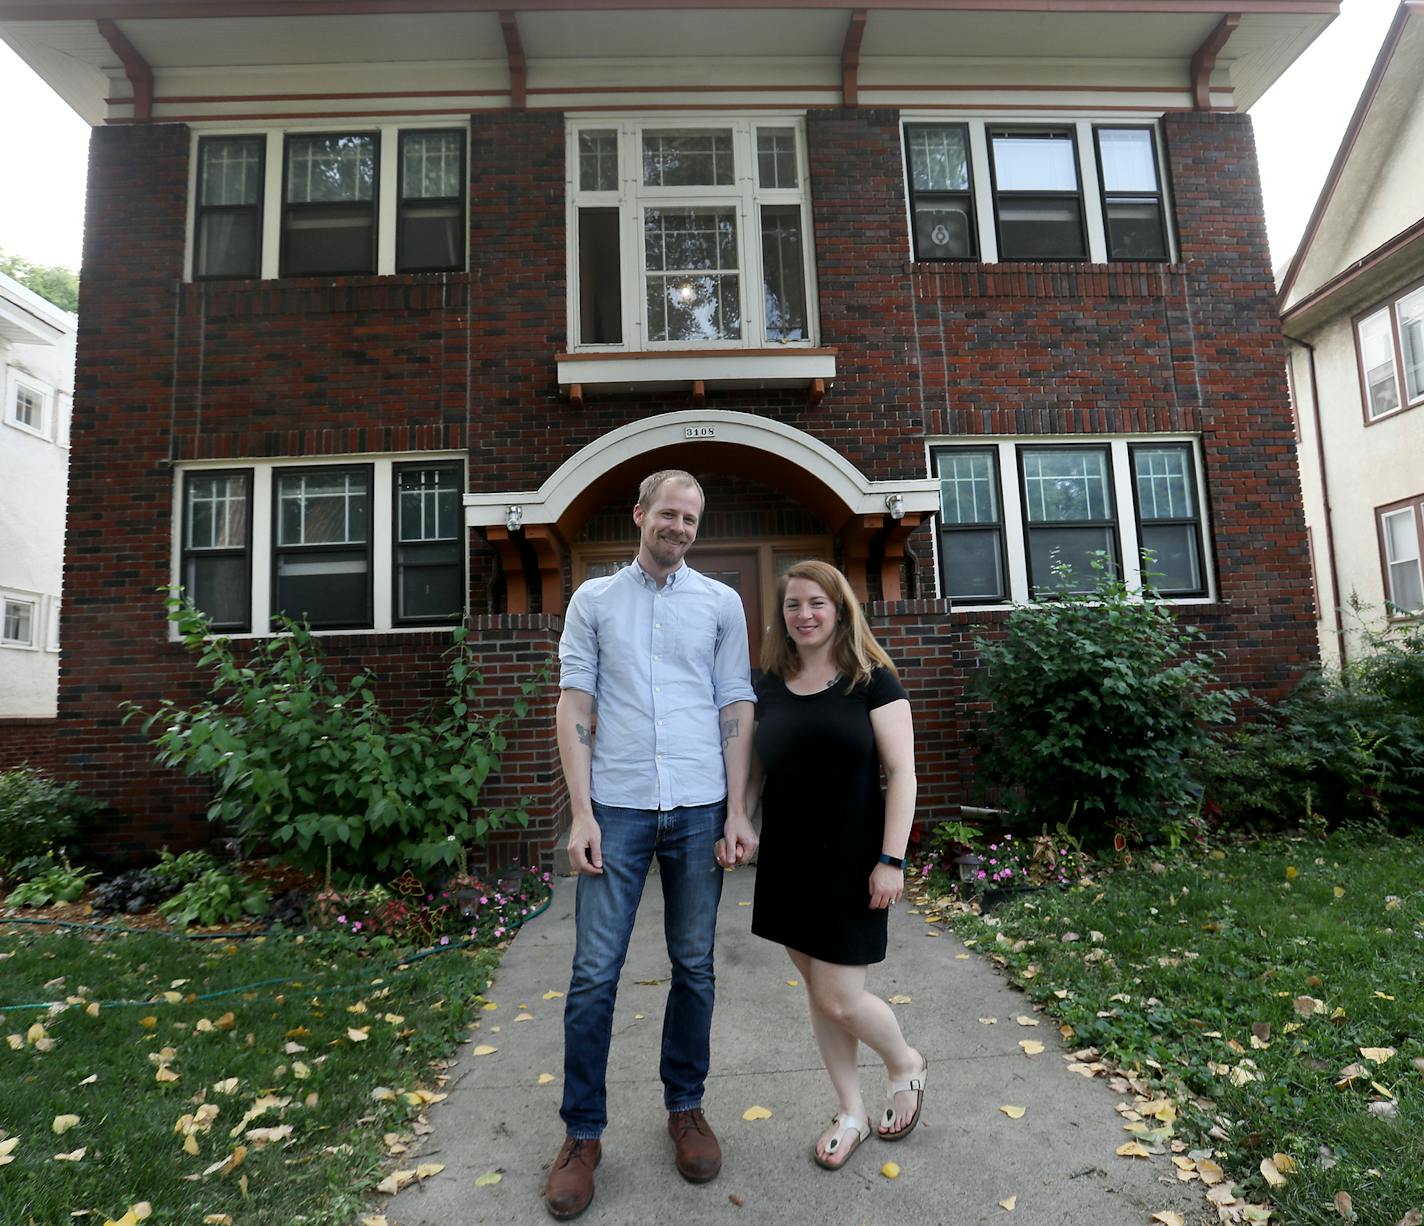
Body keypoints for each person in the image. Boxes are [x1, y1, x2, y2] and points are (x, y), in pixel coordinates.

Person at [544, 469, 758, 1220]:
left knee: (695, 966)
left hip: (701, 809)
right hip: (619, 808)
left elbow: (736, 703)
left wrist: (738, 810)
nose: (679, 526)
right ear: (641, 516)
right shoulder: (594, 601)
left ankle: (687, 1109)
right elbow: (576, 703)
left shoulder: (721, 603)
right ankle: (581, 1136)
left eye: (691, 517)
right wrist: (581, 815)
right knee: (594, 974)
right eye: (668, 512)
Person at [746, 559, 926, 1170]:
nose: (804, 614)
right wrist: (739, 820)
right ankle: (850, 1111)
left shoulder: (873, 680)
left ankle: (904, 1062)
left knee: (842, 998)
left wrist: (891, 860)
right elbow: (756, 770)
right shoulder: (767, 682)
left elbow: (902, 775)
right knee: (821, 996)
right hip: (789, 861)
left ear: (841, 608)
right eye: (794, 604)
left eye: (817, 603)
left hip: (852, 859)